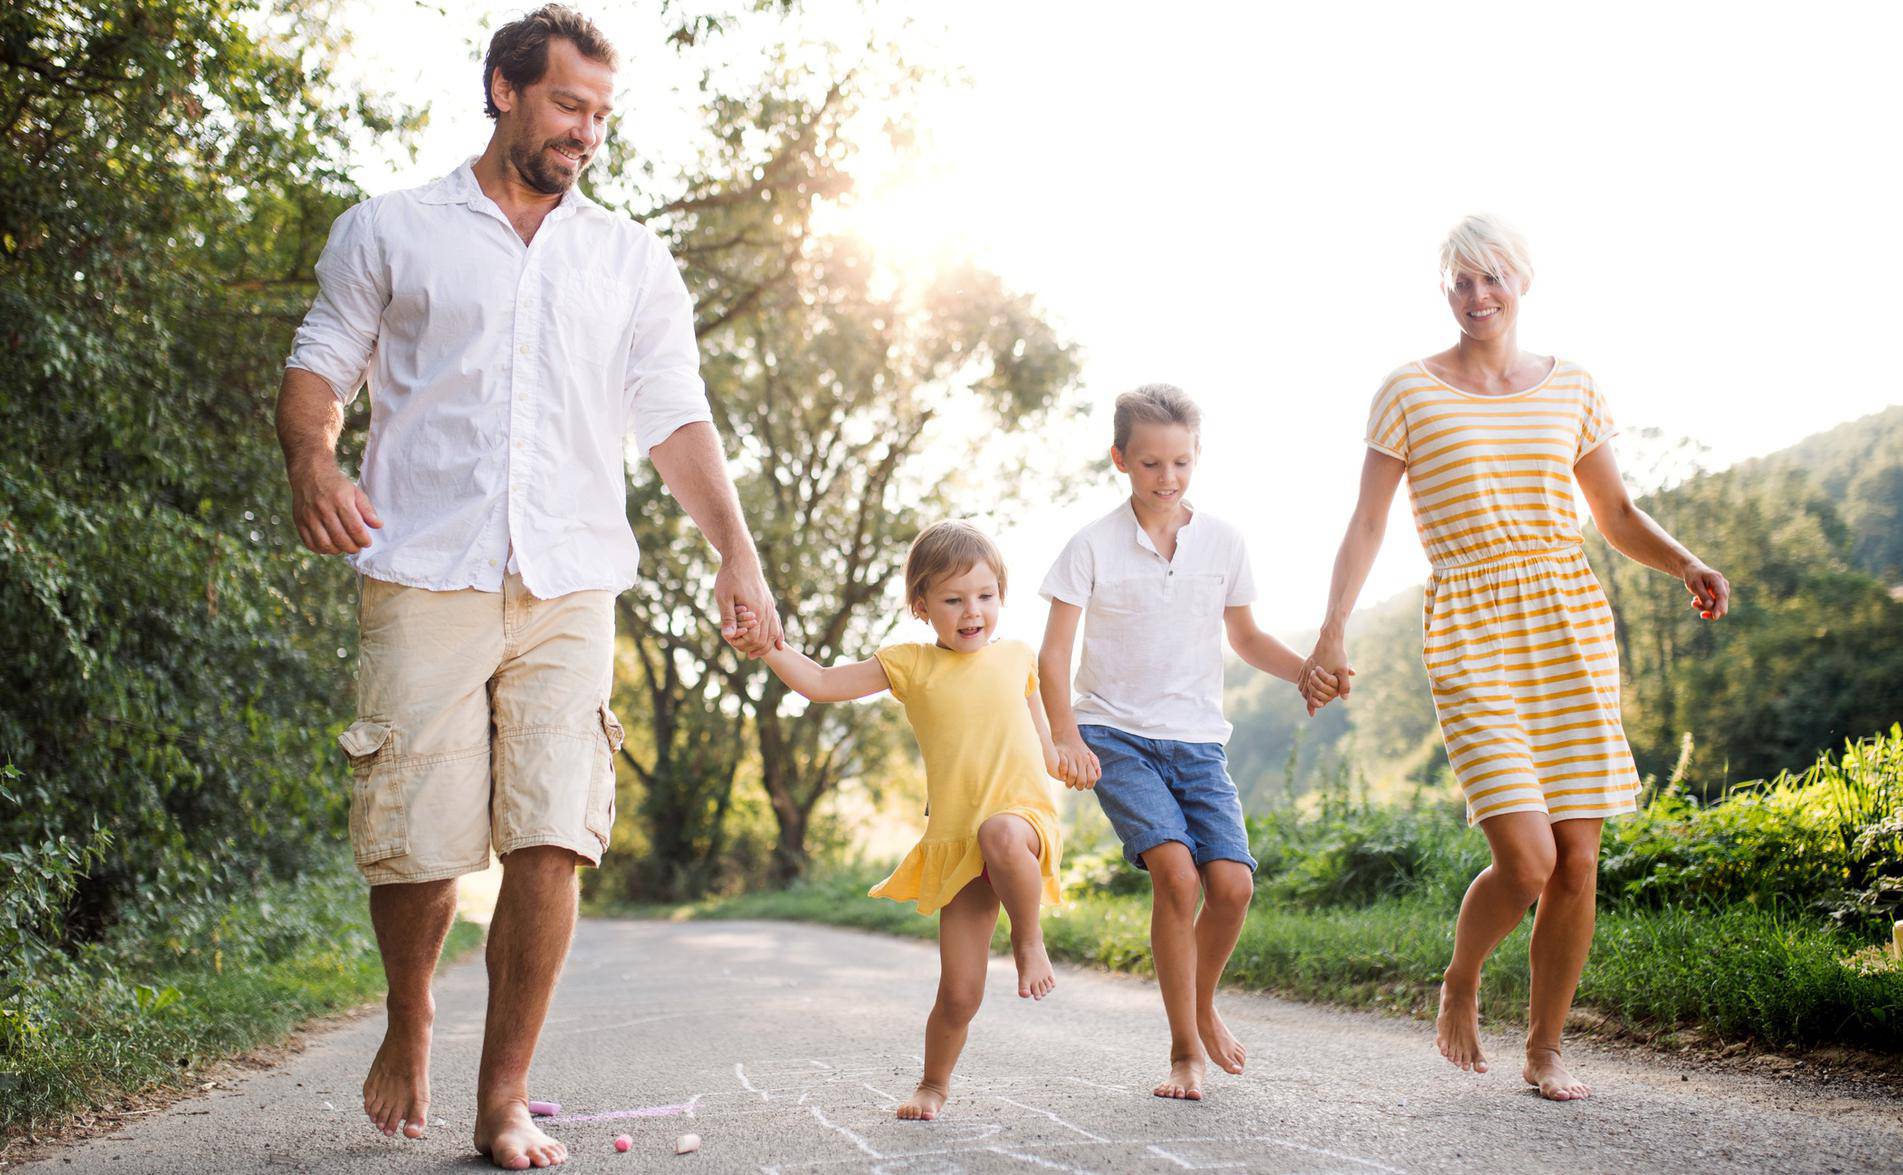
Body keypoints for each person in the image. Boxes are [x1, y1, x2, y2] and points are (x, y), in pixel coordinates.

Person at [275, 7, 780, 1167]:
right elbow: (321, 361)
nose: (587, 133)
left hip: (569, 581)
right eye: (567, 105)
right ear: (503, 89)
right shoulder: (390, 229)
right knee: (417, 840)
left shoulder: (629, 258)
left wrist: (734, 550)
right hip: (423, 566)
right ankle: (412, 1018)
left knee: (554, 830)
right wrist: (311, 455)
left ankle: (502, 1097)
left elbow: (674, 414)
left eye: (602, 114)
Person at [1300, 213, 1730, 1101]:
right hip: (1467, 622)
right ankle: (1460, 978)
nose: (1475, 296)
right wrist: (1332, 628)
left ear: (1521, 282)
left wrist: (1685, 559)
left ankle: (1543, 1046)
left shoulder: (1571, 385)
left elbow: (1611, 513)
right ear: (1445, 289)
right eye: (1459, 281)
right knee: (1526, 858)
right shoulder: (1405, 391)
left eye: (1491, 278)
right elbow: (1369, 523)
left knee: (1577, 859)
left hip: (1566, 620)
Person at [1038, 386, 1336, 1101]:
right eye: (1148, 463)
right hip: (1115, 733)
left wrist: (1304, 671)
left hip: (1198, 741)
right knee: (1177, 876)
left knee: (1232, 885)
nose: (1165, 478)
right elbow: (1052, 657)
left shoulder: (1224, 541)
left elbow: (1245, 636)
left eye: (1179, 461)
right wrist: (1065, 737)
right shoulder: (1089, 545)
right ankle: (1183, 1050)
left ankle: (1201, 1003)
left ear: (1195, 457)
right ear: (1120, 460)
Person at [728, 521, 1068, 1122]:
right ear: (922, 607)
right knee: (959, 993)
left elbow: (1045, 740)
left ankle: (1028, 939)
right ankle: (933, 1084)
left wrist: (1068, 755)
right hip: (958, 843)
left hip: (1022, 824)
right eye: (954, 600)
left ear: (1001, 598)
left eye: (985, 596)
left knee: (1002, 832)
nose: (973, 612)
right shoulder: (910, 664)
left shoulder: (1018, 658)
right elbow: (823, 684)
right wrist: (768, 645)